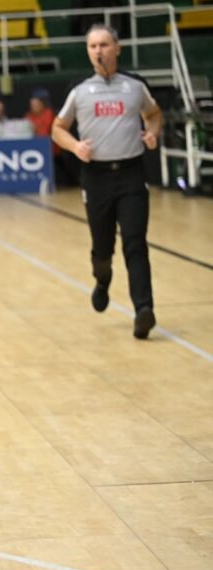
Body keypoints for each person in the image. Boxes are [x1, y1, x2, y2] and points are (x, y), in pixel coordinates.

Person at [52, 23, 163, 339]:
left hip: (131, 174)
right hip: (96, 177)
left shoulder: (134, 86)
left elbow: (154, 114)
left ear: (118, 48)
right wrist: (75, 147)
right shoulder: (79, 90)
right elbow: (58, 128)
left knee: (135, 242)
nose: (98, 51)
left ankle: (144, 309)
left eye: (103, 44)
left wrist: (152, 134)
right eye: (92, 46)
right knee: (103, 247)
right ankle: (102, 279)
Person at [25, 88, 77, 187]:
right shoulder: (28, 116)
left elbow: (45, 133)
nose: (34, 105)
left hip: (53, 151)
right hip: (34, 150)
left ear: (42, 103)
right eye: (33, 103)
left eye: (37, 103)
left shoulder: (50, 114)